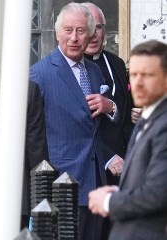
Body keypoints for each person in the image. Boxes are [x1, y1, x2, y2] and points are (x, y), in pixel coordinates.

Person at [29, 3, 120, 240]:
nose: (74, 38)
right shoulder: (39, 75)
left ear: (90, 34)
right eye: (68, 30)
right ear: (58, 32)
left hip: (97, 184)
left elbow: (97, 130)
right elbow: (33, 140)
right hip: (63, 187)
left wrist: (111, 108)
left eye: (81, 31)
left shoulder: (94, 71)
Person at [88, 39, 167, 240]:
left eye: (147, 75)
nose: (138, 83)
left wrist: (109, 202)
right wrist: (118, 190)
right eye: (134, 75)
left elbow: (158, 195)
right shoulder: (146, 120)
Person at [81, 3, 133, 238]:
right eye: (87, 28)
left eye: (98, 27)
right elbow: (80, 127)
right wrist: (107, 156)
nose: (93, 34)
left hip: (126, 167)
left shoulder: (118, 63)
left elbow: (123, 109)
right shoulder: (76, 69)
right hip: (95, 167)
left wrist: (123, 109)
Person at [21, 81, 49, 229]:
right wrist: (42, 197)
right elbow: (36, 149)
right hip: (14, 198)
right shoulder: (27, 88)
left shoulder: (28, 89)